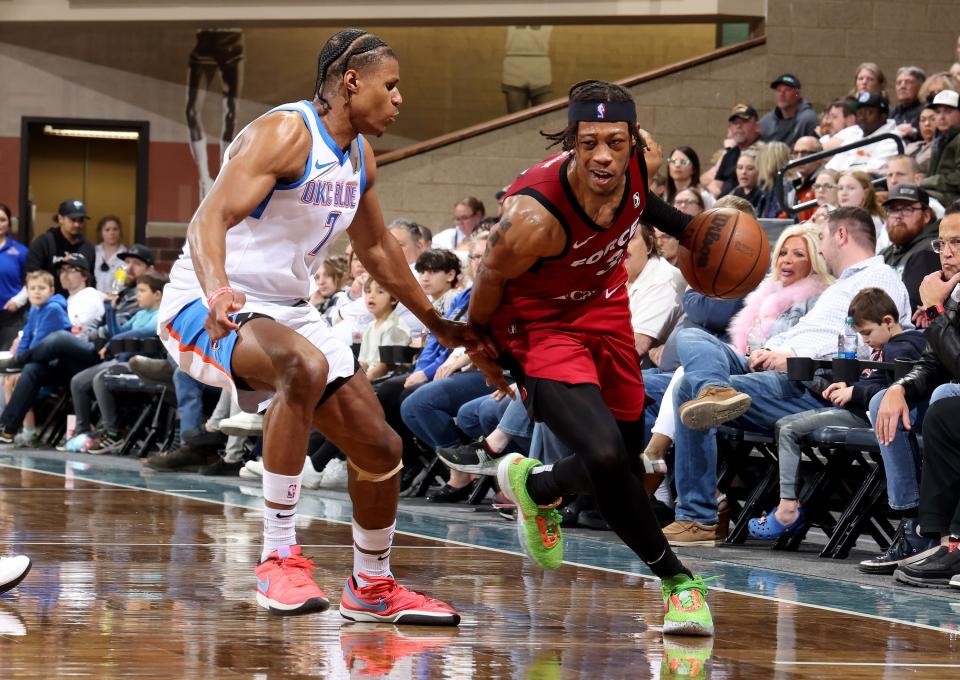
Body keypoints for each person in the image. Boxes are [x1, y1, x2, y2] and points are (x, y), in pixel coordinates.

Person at [157, 28, 482, 625]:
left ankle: (372, 586)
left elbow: (379, 248)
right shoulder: (286, 132)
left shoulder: (358, 154)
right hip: (206, 299)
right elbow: (209, 218)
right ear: (351, 82)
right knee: (299, 367)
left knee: (380, 447)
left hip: (290, 309)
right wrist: (217, 287)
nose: (399, 99)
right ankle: (278, 556)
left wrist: (437, 320)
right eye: (392, 85)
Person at [466, 79, 714, 636]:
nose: (604, 154)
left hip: (605, 313)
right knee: (604, 457)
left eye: (616, 142)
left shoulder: (638, 163)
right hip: (540, 325)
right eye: (589, 142)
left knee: (623, 462)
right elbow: (488, 279)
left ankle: (537, 487)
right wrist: (486, 350)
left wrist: (689, 230)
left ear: (632, 141)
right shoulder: (532, 215)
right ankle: (680, 583)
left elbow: (639, 203)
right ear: (571, 143)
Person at [665, 207, 912, 546]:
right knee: (690, 339)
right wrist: (771, 348)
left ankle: (698, 518)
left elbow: (861, 344)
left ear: (841, 235)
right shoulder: (844, 284)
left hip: (808, 381)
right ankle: (716, 388)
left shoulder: (879, 279)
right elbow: (807, 330)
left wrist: (791, 356)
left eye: (822, 237)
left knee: (687, 391)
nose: (821, 248)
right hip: (774, 363)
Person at [747, 288, 925, 540]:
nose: (864, 340)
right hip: (860, 411)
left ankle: (788, 509)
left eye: (867, 333)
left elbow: (896, 392)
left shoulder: (901, 349)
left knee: (788, 427)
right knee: (785, 425)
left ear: (887, 321)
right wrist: (849, 387)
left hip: (867, 417)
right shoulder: (891, 345)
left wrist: (855, 392)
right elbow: (875, 382)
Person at [865, 202, 960, 575]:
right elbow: (935, 359)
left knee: (945, 398)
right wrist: (900, 387)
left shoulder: (943, 296)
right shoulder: (953, 290)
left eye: (958, 242)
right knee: (881, 401)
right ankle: (917, 530)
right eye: (942, 244)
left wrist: (935, 312)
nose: (948, 252)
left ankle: (946, 538)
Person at [0, 270, 71, 445]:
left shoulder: (53, 309)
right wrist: (18, 363)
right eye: (32, 288)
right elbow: (26, 339)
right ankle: (18, 430)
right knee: (11, 376)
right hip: (40, 362)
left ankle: (10, 428)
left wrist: (20, 365)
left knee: (25, 374)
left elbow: (40, 346)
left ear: (51, 291)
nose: (37, 292)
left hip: (59, 365)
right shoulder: (34, 309)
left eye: (41, 288)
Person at [879, 184, 941, 315]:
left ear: (926, 217)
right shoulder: (885, 253)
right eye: (893, 209)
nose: (898, 216)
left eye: (907, 209)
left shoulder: (929, 250)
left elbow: (911, 309)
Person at [24, 199, 96, 295]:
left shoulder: (88, 247)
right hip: (49, 303)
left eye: (81, 220)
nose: (77, 224)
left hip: (79, 305)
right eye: (73, 220)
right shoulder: (44, 243)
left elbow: (90, 280)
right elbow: (31, 277)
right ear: (60, 219)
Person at [826, 93, 901, 174]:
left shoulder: (892, 141)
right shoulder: (854, 137)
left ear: (883, 116)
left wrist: (839, 175)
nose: (862, 117)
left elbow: (870, 174)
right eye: (859, 113)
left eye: (869, 113)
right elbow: (831, 168)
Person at [702, 103, 760, 198]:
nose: (738, 126)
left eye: (744, 121)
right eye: (735, 122)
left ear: (757, 126)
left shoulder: (765, 152)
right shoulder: (730, 154)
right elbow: (716, 185)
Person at [358, 278, 410, 381]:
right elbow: (363, 363)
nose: (371, 296)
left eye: (380, 292)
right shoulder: (370, 327)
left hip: (387, 380)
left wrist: (363, 384)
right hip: (369, 378)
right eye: (368, 291)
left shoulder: (396, 327)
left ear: (394, 299)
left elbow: (384, 367)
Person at [920, 90, 960, 207]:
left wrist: (927, 182)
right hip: (940, 195)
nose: (941, 117)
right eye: (937, 112)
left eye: (948, 111)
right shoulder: (940, 140)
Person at [759, 73, 819, 147]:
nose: (782, 94)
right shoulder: (766, 121)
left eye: (787, 90)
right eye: (778, 90)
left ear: (797, 94)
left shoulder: (808, 119)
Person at [837, 170, 888, 252]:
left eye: (851, 188)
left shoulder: (873, 220)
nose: (844, 193)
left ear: (866, 192)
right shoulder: (835, 220)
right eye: (840, 188)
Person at [0, 203, 28, 350]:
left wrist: (18, 301)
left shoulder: (20, 251)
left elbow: (31, 282)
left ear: (9, 223)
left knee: (6, 362)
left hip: (11, 317)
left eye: (2, 219)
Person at [93, 215, 127, 294]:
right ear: (101, 233)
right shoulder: (94, 252)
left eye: (115, 229)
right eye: (107, 230)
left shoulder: (126, 256)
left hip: (116, 300)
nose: (112, 233)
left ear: (120, 232)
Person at [891, 66, 926, 141]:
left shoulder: (927, 110)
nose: (902, 86)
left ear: (920, 87)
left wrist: (913, 131)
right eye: (899, 83)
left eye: (908, 82)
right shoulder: (892, 113)